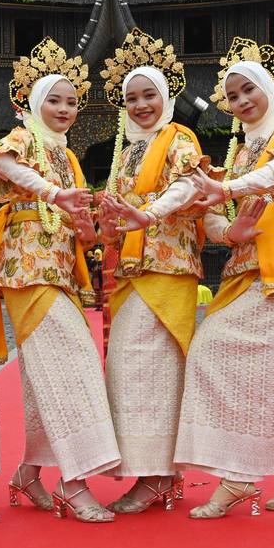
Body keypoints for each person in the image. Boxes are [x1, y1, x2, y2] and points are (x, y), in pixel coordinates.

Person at [174, 37, 274, 518]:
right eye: (233, 95)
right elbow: (222, 221)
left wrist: (227, 186)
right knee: (228, 357)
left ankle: (240, 479)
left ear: (269, 87)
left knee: (267, 370)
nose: (241, 102)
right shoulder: (240, 154)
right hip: (244, 273)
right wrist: (229, 226)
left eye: (249, 90)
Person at [0, 36, 120, 523]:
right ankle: (72, 482)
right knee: (73, 364)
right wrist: (53, 193)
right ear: (32, 103)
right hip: (25, 268)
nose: (64, 108)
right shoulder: (26, 139)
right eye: (53, 99)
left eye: (72, 101)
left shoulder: (68, 156)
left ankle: (29, 473)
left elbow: (79, 228)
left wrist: (96, 224)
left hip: (62, 272)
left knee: (45, 373)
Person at [92, 29, 206, 513]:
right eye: (131, 98)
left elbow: (187, 186)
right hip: (128, 272)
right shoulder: (126, 150)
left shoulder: (180, 139)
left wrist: (149, 213)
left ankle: (158, 476)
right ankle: (151, 472)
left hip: (168, 269)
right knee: (127, 370)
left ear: (167, 96)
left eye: (149, 96)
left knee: (153, 370)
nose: (140, 105)